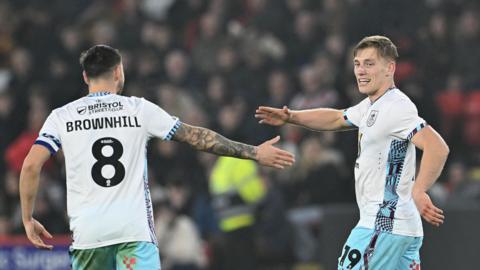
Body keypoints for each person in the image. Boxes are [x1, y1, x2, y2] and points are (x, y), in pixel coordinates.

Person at [19, 45, 295, 270]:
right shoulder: (138, 109)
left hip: (89, 233)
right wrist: (254, 152)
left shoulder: (62, 116)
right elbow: (196, 137)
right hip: (133, 230)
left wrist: (28, 218)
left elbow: (31, 166)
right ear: (118, 71)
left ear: (84, 77)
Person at [255, 35, 449, 270]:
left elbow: (437, 147)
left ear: (390, 68)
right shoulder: (371, 106)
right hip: (401, 227)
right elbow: (337, 117)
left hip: (382, 225)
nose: (361, 71)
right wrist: (291, 117)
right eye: (357, 64)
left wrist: (419, 190)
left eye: (369, 63)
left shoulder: (396, 107)